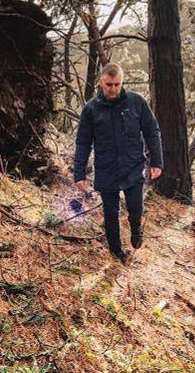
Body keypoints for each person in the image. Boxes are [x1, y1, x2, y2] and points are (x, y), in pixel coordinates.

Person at [73, 62, 163, 261]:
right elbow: (83, 143)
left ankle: (136, 229)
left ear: (122, 82)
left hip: (133, 166)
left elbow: (152, 131)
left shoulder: (136, 102)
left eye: (117, 84)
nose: (113, 89)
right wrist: (79, 173)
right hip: (107, 169)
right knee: (111, 213)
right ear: (101, 83)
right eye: (109, 85)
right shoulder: (91, 109)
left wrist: (156, 161)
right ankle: (116, 251)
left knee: (135, 206)